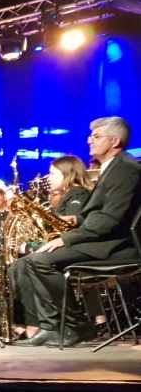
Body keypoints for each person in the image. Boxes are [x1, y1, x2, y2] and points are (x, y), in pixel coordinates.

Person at [19, 117, 141, 347]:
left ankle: (76, 325)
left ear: (115, 141)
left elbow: (111, 220)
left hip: (116, 246)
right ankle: (51, 326)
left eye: (96, 136)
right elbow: (105, 213)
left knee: (40, 261)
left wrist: (66, 239)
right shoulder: (113, 167)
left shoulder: (124, 169)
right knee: (29, 261)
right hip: (103, 241)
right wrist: (79, 219)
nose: (89, 140)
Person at [10, 155, 94, 342]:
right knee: (19, 265)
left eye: (52, 173)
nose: (48, 178)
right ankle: (41, 325)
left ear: (67, 174)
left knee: (27, 263)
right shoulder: (67, 197)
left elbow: (70, 227)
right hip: (68, 247)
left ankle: (50, 325)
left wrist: (33, 246)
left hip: (78, 247)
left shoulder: (78, 194)